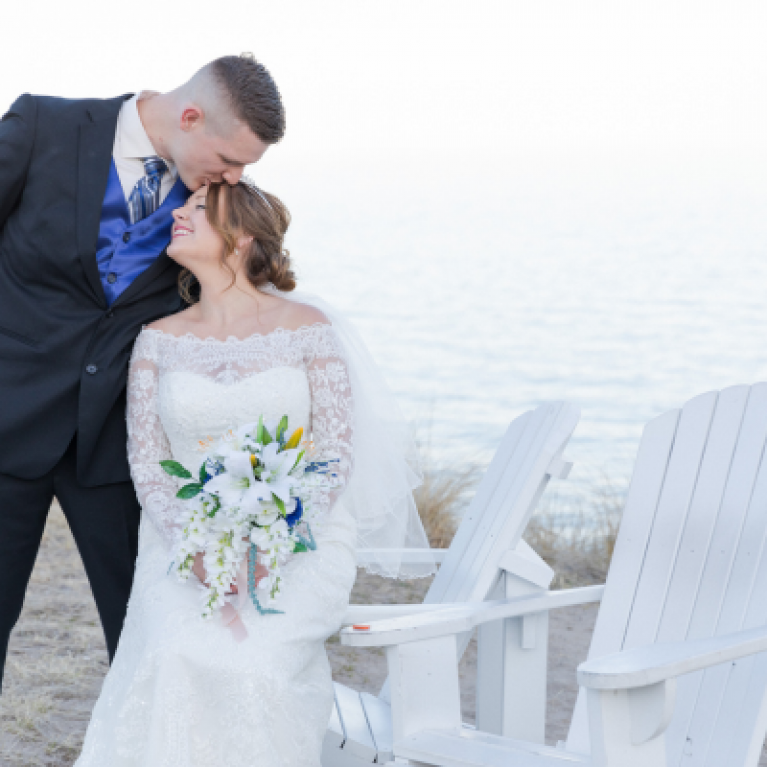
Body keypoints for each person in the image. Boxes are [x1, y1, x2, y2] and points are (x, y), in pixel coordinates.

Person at [74, 180, 434, 766]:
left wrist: (276, 540)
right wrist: (192, 544)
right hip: (182, 540)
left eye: (196, 208)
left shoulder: (307, 327)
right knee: (172, 659)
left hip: (301, 539)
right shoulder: (157, 341)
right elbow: (147, 461)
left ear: (240, 237)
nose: (178, 215)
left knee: (255, 669)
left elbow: (334, 450)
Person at [0, 54, 285, 691]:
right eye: (232, 159)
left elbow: (232, 299)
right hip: (6, 418)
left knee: (145, 630)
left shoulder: (209, 206)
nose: (236, 177)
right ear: (190, 116)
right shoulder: (42, 125)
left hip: (118, 447)